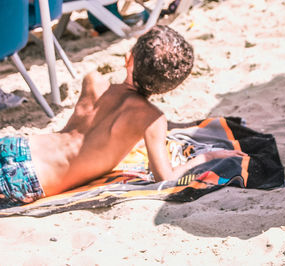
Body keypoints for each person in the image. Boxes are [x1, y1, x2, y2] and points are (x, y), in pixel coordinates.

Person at [0, 25, 245, 205]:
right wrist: (206, 157)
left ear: (128, 58)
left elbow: (78, 136)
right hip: (30, 178)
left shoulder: (93, 81)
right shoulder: (152, 119)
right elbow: (165, 179)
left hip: (18, 146)